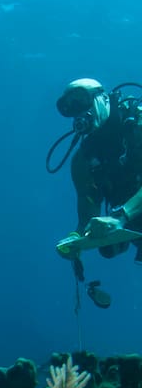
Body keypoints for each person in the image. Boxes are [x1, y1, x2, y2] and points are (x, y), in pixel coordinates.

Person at [50, 79, 142, 264]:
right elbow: (87, 206)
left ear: (104, 98)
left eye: (81, 99)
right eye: (70, 108)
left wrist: (121, 216)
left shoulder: (138, 126)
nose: (78, 111)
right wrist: (77, 238)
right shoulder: (82, 161)